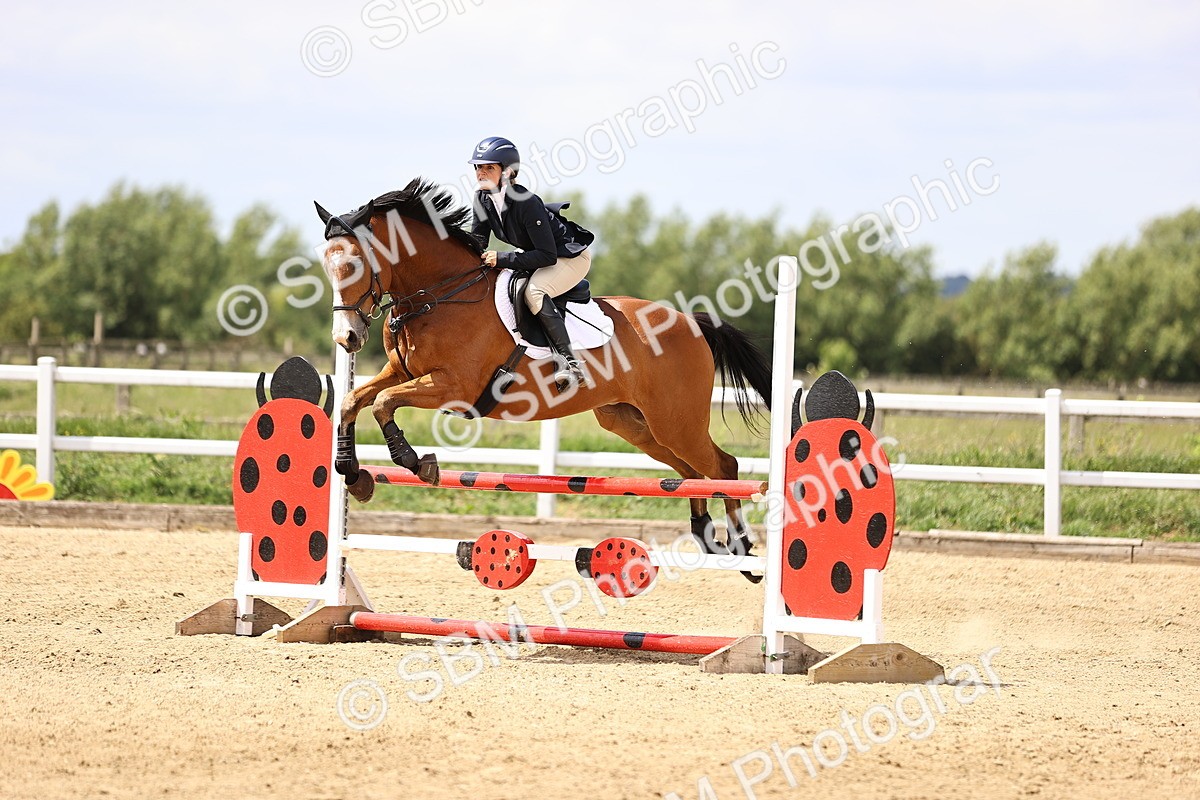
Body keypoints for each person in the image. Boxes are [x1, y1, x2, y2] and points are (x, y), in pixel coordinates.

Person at [468, 136, 595, 392]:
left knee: (534, 291)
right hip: (537, 254)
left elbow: (547, 256)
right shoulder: (482, 199)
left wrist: (502, 258)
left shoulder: (526, 202)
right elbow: (477, 242)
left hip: (567, 257)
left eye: (489, 167)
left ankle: (569, 362)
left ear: (508, 172)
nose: (481, 172)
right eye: (478, 167)